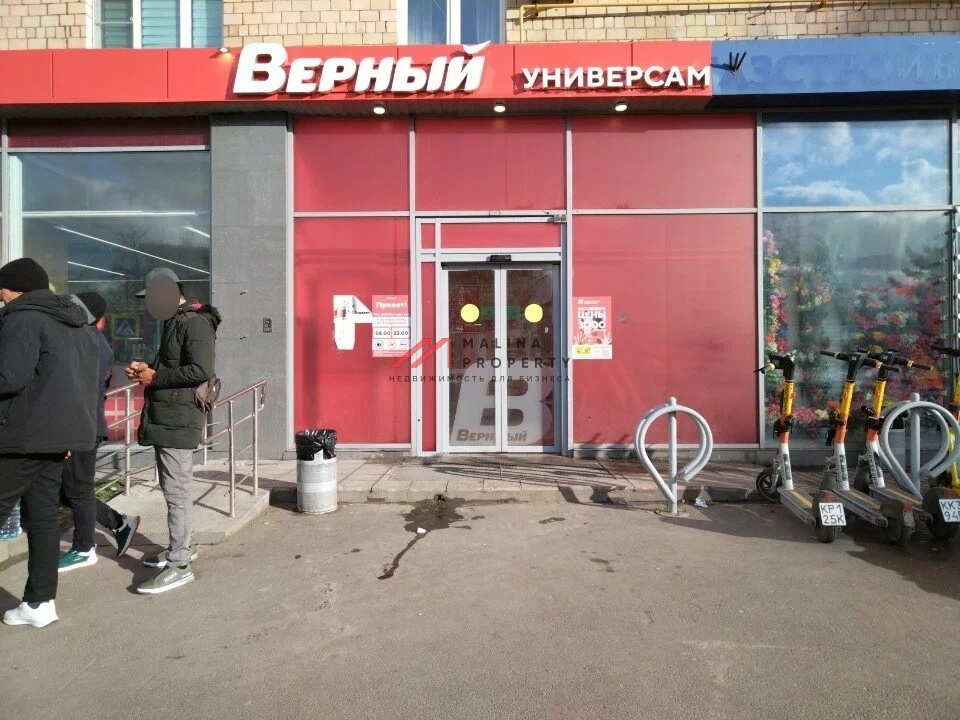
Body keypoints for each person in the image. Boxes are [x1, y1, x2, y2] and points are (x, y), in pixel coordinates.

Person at [0, 258, 99, 628]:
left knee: (38, 516)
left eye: (1, 289)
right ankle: (39, 603)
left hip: (19, 438)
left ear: (16, 287)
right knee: (43, 518)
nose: (0, 296)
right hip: (59, 441)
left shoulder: (22, 318)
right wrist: (71, 435)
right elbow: (87, 383)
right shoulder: (77, 324)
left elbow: (8, 377)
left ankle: (38, 604)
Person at [127, 268, 220, 595]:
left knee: (177, 492)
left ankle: (180, 565)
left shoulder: (193, 322)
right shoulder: (176, 321)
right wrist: (146, 370)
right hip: (169, 417)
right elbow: (173, 367)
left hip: (178, 420)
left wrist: (155, 377)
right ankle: (183, 547)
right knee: (174, 490)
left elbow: (201, 370)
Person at [57, 292, 140, 573]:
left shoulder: (90, 343)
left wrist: (69, 434)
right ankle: (119, 523)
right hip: (81, 426)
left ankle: (84, 547)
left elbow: (80, 393)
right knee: (65, 488)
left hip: (82, 427)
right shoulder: (86, 340)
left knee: (76, 489)